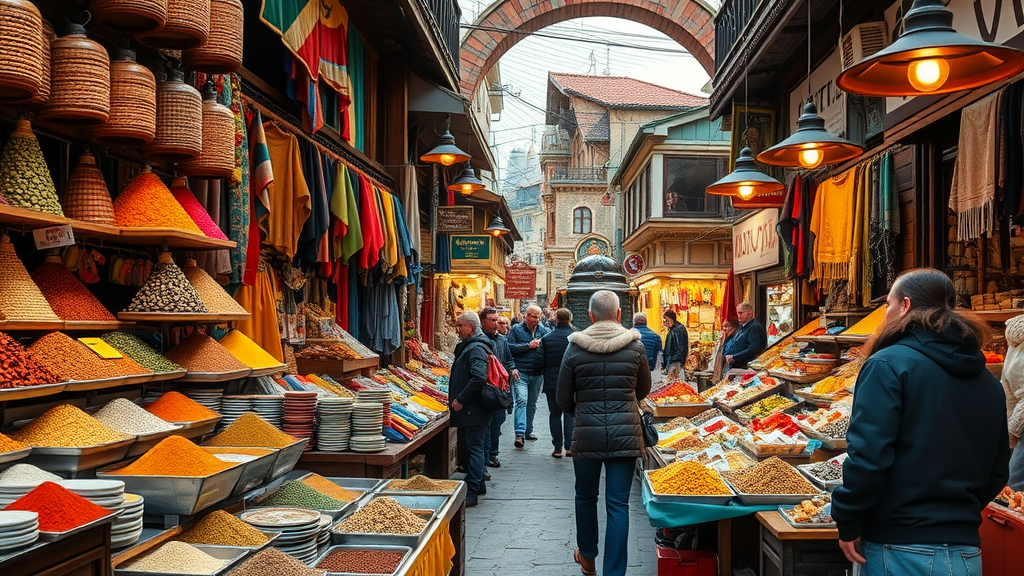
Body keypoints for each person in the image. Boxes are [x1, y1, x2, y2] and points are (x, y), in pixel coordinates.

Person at [832, 268, 1010, 575]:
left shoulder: (887, 365)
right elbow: (998, 469)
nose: (884, 313)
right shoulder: (988, 381)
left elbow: (869, 457)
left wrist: (848, 519)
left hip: (897, 547)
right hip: (966, 553)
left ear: (905, 307)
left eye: (888, 304)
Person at [557, 291, 652, 576]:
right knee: (618, 504)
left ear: (590, 316)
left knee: (585, 496)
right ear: (619, 314)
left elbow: (563, 398)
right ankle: (614, 572)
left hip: (586, 434)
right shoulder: (635, 347)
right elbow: (643, 391)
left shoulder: (574, 348)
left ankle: (587, 557)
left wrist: (583, 413)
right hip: (625, 434)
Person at [449, 312, 496, 507]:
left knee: (474, 447)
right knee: (475, 445)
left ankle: (472, 490)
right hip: (474, 408)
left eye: (461, 326)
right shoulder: (472, 346)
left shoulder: (475, 348)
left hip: (473, 408)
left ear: (471, 326)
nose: (458, 329)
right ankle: (479, 482)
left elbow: (478, 377)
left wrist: (461, 399)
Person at [480, 307, 519, 469]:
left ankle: (493, 453)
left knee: (497, 423)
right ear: (482, 321)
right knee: (485, 425)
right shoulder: (478, 340)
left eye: (497, 320)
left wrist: (513, 369)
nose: (496, 323)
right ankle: (484, 455)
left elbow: (509, 358)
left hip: (499, 389)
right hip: (483, 389)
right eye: (493, 320)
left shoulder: (502, 340)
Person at [508, 305, 550, 447]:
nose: (535, 320)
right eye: (532, 316)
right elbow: (510, 349)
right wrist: (528, 346)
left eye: (537, 317)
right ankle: (519, 433)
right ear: (526, 316)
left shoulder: (544, 332)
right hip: (521, 372)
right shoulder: (516, 330)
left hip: (537, 373)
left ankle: (528, 430)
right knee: (521, 400)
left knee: (532, 403)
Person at [536, 308, 575, 458]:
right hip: (571, 383)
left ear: (556, 319)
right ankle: (570, 446)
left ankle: (557, 448)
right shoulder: (576, 338)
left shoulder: (547, 338)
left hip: (552, 382)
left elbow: (539, 361)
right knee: (570, 414)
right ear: (570, 319)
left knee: (555, 414)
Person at [1003, 314, 1024, 488]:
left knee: (1014, 485)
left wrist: (1013, 429)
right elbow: (1007, 385)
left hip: (1020, 423)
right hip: (1019, 422)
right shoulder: (1015, 336)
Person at [723, 302, 767, 369]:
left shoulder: (754, 327)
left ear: (750, 313)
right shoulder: (743, 326)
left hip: (745, 367)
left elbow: (754, 349)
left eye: (741, 313)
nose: (738, 316)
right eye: (738, 313)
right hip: (735, 366)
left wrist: (734, 357)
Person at [662, 311, 688, 380]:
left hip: (675, 362)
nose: (665, 323)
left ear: (672, 319)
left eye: (667, 320)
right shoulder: (674, 330)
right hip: (673, 361)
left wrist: (673, 359)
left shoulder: (678, 331)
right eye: (664, 321)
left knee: (673, 382)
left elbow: (681, 348)